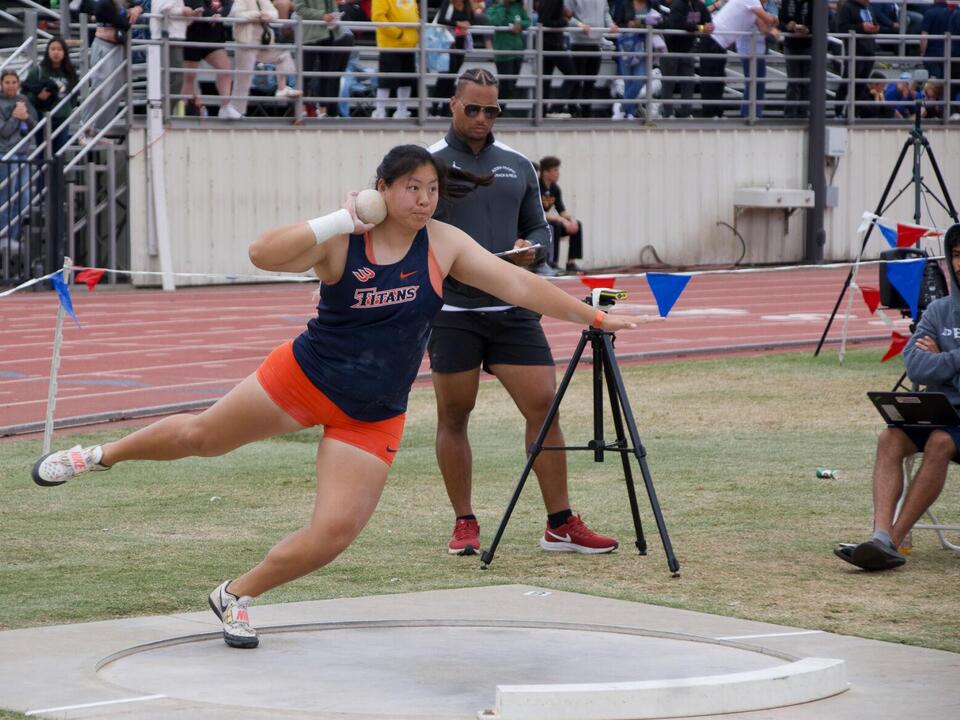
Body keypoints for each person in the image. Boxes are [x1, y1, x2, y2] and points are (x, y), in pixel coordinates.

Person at [31, 143, 657, 648]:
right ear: (380, 189)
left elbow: (520, 288)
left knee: (334, 532)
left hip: (372, 411)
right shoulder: (342, 240)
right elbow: (260, 254)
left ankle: (235, 595)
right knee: (201, 438)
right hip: (302, 380)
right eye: (411, 187)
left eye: (432, 189)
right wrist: (338, 219)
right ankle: (100, 455)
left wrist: (594, 317)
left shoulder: (442, 243)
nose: (423, 198)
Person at [427, 68, 622, 557]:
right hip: (452, 310)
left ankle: (559, 522)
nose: (481, 118)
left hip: (513, 307)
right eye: (472, 108)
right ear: (453, 104)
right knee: (454, 414)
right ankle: (464, 522)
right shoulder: (425, 164)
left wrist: (531, 248)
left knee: (543, 407)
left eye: (491, 110)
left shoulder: (518, 164)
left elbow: (541, 227)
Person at [835, 224, 960, 571]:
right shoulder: (938, 311)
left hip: (952, 430)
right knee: (890, 436)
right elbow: (916, 366)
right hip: (939, 410)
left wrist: (942, 357)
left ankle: (891, 543)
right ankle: (880, 537)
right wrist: (953, 359)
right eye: (956, 255)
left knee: (939, 442)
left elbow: (932, 365)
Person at [697, 0, 779, 118]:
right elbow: (769, 20)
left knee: (718, 80)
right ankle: (709, 115)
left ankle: (716, 113)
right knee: (710, 80)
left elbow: (763, 28)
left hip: (720, 43)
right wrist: (774, 23)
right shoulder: (752, 1)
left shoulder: (755, 8)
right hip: (713, 39)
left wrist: (771, 29)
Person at [226, 0, 302, 118]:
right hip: (246, 43)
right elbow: (235, 15)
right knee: (244, 78)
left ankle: (281, 89)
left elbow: (274, 13)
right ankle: (237, 111)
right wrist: (256, 15)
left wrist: (268, 16)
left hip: (263, 41)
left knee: (283, 55)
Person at [80, 0, 144, 139]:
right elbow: (123, 24)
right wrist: (129, 13)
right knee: (100, 88)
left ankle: (98, 130)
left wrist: (137, 9)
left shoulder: (122, 4)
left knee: (115, 90)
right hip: (104, 47)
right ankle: (84, 127)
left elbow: (139, 6)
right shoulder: (104, 4)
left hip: (118, 48)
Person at [296, 0, 355, 118]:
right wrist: (322, 16)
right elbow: (300, 9)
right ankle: (300, 108)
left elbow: (332, 7)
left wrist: (334, 16)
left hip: (330, 32)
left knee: (326, 73)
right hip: (310, 34)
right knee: (305, 72)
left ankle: (323, 110)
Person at [0, 71, 38, 254]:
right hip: (5, 154)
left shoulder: (23, 100)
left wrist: (26, 118)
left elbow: (34, 125)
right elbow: (5, 132)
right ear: (1, 84)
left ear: (18, 83)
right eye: (7, 82)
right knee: (8, 195)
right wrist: (16, 116)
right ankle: (3, 236)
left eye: (14, 82)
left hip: (23, 152)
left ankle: (13, 238)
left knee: (23, 198)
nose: (11, 85)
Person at [180, 0, 237, 119]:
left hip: (214, 38)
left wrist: (221, 15)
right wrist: (211, 14)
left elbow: (229, 5)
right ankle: (184, 109)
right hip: (193, 36)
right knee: (189, 77)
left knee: (225, 70)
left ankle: (225, 107)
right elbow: (196, 5)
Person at [22, 36, 79, 155]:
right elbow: (25, 92)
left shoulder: (70, 72)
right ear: (48, 51)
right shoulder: (38, 71)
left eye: (59, 49)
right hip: (42, 117)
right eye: (52, 49)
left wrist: (67, 108)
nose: (56, 52)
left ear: (64, 52)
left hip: (62, 118)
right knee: (42, 154)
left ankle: (56, 175)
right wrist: (38, 98)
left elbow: (74, 94)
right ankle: (43, 174)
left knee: (58, 155)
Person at [659, 0, 711, 119]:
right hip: (670, 50)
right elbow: (681, 24)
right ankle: (668, 113)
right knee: (668, 83)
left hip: (687, 50)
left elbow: (707, 20)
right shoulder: (678, 5)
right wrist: (702, 27)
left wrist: (709, 26)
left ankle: (686, 113)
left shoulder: (699, 6)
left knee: (688, 83)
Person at [567, 0, 619, 117]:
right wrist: (579, 25)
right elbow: (566, 15)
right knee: (576, 79)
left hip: (596, 43)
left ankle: (586, 110)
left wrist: (610, 24)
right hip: (579, 42)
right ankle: (571, 108)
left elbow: (605, 13)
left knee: (590, 80)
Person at [371, 0, 419, 119]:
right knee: (386, 80)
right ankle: (379, 111)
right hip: (390, 45)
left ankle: (402, 110)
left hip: (409, 45)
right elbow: (378, 17)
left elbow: (415, 13)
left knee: (406, 80)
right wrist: (397, 33)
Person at [152, 0, 201, 116]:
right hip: (168, 37)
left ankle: (164, 112)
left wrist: (191, 15)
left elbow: (177, 18)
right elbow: (163, 10)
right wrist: (183, 11)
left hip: (174, 37)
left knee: (174, 78)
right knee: (174, 78)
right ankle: (163, 113)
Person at [834, 0, 878, 119]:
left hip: (869, 50)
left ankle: (853, 112)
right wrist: (861, 27)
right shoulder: (847, 7)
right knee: (847, 83)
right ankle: (838, 112)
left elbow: (874, 23)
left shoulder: (869, 7)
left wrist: (875, 28)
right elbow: (842, 28)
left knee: (861, 85)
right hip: (855, 51)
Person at [538, 156, 583, 272]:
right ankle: (552, 262)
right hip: (538, 223)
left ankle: (571, 263)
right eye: (555, 170)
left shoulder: (555, 189)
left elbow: (562, 211)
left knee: (577, 224)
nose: (558, 173)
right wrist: (561, 220)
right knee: (555, 225)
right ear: (545, 172)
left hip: (551, 220)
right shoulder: (536, 186)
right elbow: (538, 211)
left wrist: (571, 220)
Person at [431, 0, 474, 117]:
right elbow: (441, 19)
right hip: (447, 44)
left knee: (452, 77)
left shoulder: (466, 5)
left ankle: (446, 108)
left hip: (460, 45)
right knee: (444, 77)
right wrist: (458, 23)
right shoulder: (447, 3)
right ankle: (434, 108)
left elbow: (471, 20)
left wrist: (467, 23)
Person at [486, 0, 530, 112]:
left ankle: (496, 111)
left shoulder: (518, 6)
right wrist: (503, 6)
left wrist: (520, 25)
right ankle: (495, 112)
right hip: (503, 52)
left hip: (517, 51)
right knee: (507, 85)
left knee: (512, 84)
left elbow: (527, 21)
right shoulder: (495, 7)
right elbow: (495, 21)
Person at [536, 0, 576, 117]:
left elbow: (545, 19)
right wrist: (564, 21)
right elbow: (545, 21)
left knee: (545, 80)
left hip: (545, 43)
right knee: (572, 75)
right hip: (553, 44)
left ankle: (542, 111)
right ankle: (554, 108)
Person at [779, 0, 812, 118]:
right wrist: (787, 26)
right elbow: (780, 23)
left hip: (808, 45)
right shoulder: (786, 2)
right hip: (791, 45)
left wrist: (808, 30)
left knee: (806, 82)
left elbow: (821, 24)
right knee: (793, 81)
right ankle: (790, 114)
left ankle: (803, 112)